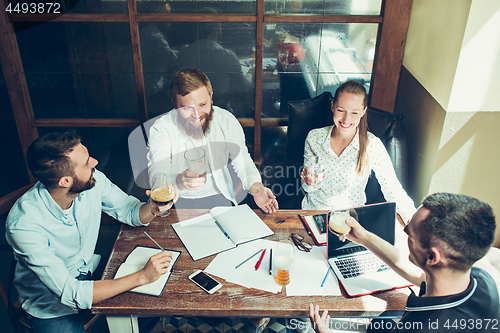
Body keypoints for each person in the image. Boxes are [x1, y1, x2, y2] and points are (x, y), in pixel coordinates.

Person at [6, 132, 177, 333]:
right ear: (65, 181)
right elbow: (71, 293)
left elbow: (130, 211)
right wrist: (141, 277)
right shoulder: (23, 225)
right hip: (50, 304)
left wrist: (154, 207)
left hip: (91, 269)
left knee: (160, 298)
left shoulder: (92, 181)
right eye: (87, 162)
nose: (95, 162)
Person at [309, 192, 499, 333]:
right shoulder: (482, 280)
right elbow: (418, 275)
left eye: (409, 232)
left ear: (432, 257)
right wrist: (364, 238)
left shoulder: (420, 327)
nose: (405, 231)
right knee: (379, 325)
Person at [147, 68, 278, 213]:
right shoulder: (161, 128)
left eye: (202, 104)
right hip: (176, 201)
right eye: (187, 108)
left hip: (219, 197)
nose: (196, 115)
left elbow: (243, 162)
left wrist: (257, 188)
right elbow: (157, 173)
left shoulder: (226, 120)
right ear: (175, 104)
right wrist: (179, 181)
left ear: (211, 97)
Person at [300, 80, 415, 223]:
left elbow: (391, 188)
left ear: (363, 112)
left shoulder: (371, 144)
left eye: (354, 112)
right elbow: (309, 188)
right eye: (341, 110)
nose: (346, 119)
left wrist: (412, 219)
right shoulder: (314, 137)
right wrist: (309, 181)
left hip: (351, 221)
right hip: (315, 215)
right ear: (332, 106)